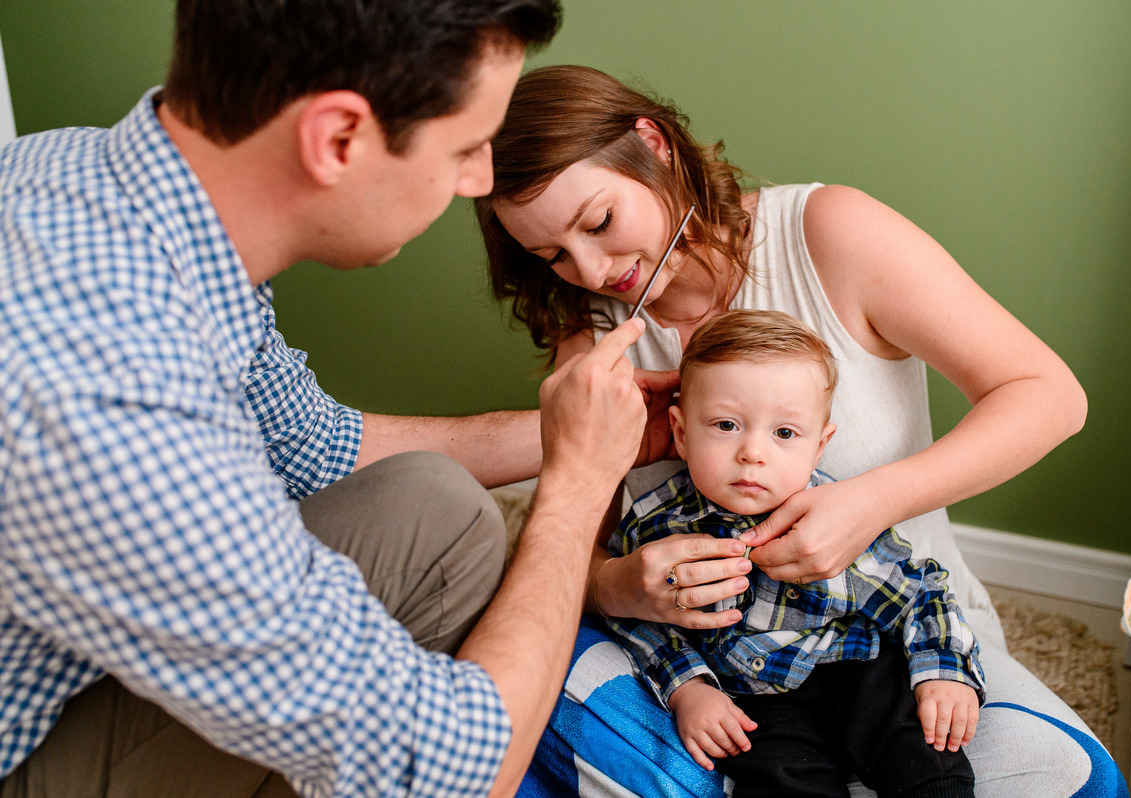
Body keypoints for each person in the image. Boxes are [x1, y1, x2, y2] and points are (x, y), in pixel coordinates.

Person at [0, 5, 677, 798]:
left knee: (435, 506)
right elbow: (455, 776)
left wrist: (576, 436)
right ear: (338, 138)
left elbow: (316, 447)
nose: (480, 181)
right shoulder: (119, 407)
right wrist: (573, 493)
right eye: (464, 147)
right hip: (21, 748)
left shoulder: (87, 181)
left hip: (56, 648)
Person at [476, 65, 1126, 795]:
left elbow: (1051, 397)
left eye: (598, 222)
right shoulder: (593, 338)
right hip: (723, 676)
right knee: (508, 735)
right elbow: (572, 550)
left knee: (1077, 782)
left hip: (885, 639)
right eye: (552, 255)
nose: (591, 270)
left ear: (652, 143)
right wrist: (620, 584)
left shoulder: (829, 232)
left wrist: (869, 503)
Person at [607, 310, 982, 797]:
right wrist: (688, 690)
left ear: (820, 445)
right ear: (681, 432)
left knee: (922, 748)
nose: (752, 453)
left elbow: (920, 591)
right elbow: (637, 616)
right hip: (750, 691)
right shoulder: (659, 525)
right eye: (726, 425)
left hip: (856, 664)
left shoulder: (837, 516)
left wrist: (945, 670)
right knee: (776, 778)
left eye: (784, 434)